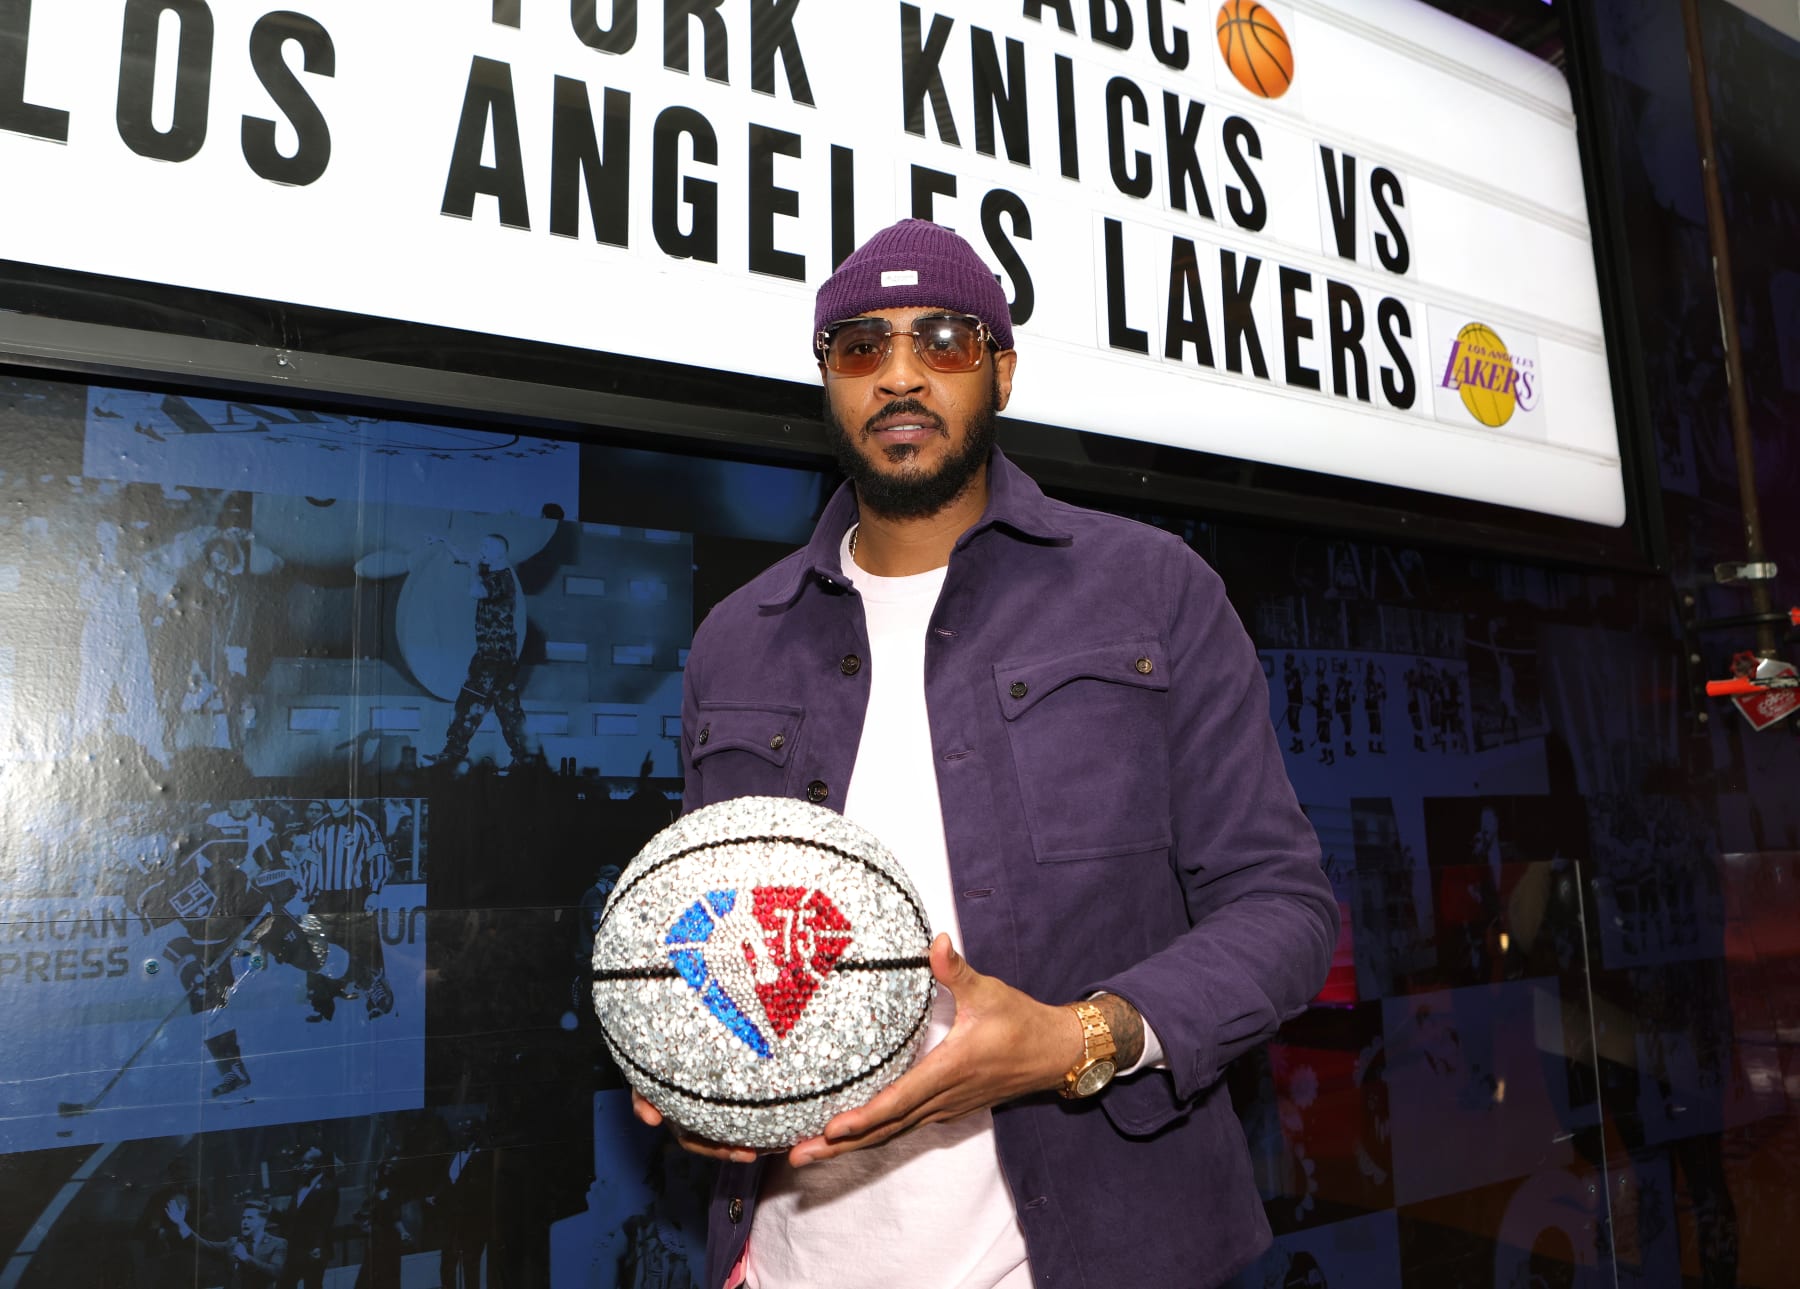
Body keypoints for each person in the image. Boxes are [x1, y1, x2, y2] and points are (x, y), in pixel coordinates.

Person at [636, 219, 1336, 1289]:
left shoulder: (1153, 590)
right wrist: (690, 1061)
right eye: (862, 345)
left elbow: (1285, 910)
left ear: (1002, 369)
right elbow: (713, 930)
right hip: (787, 1263)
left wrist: (1075, 1038)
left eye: (946, 340)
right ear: (828, 378)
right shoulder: (740, 634)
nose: (902, 374)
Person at [428, 533, 532, 771]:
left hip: (493, 656)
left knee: (470, 701)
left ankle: (452, 754)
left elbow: (475, 591)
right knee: (508, 709)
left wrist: (474, 568)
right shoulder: (492, 569)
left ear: (499, 552)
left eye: (486, 546)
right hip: (501, 657)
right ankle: (525, 759)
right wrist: (444, 540)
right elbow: (464, 556)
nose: (480, 549)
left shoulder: (502, 579)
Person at [164, 1195, 288, 1288]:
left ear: (263, 1222)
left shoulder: (277, 1244)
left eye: (250, 1218)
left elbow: (276, 1272)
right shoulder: (233, 1243)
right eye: (243, 1218)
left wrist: (247, 1259)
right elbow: (204, 1246)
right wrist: (181, 1223)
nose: (244, 1221)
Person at [278, 1146, 340, 1289]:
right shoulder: (300, 1186)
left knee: (312, 1286)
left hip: (314, 1250)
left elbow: (325, 1220)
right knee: (284, 1284)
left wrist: (318, 1246)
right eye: (302, 1163)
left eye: (308, 1163)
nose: (304, 1167)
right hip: (296, 1249)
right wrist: (271, 1212)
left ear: (319, 1164)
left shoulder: (328, 1188)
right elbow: (291, 1217)